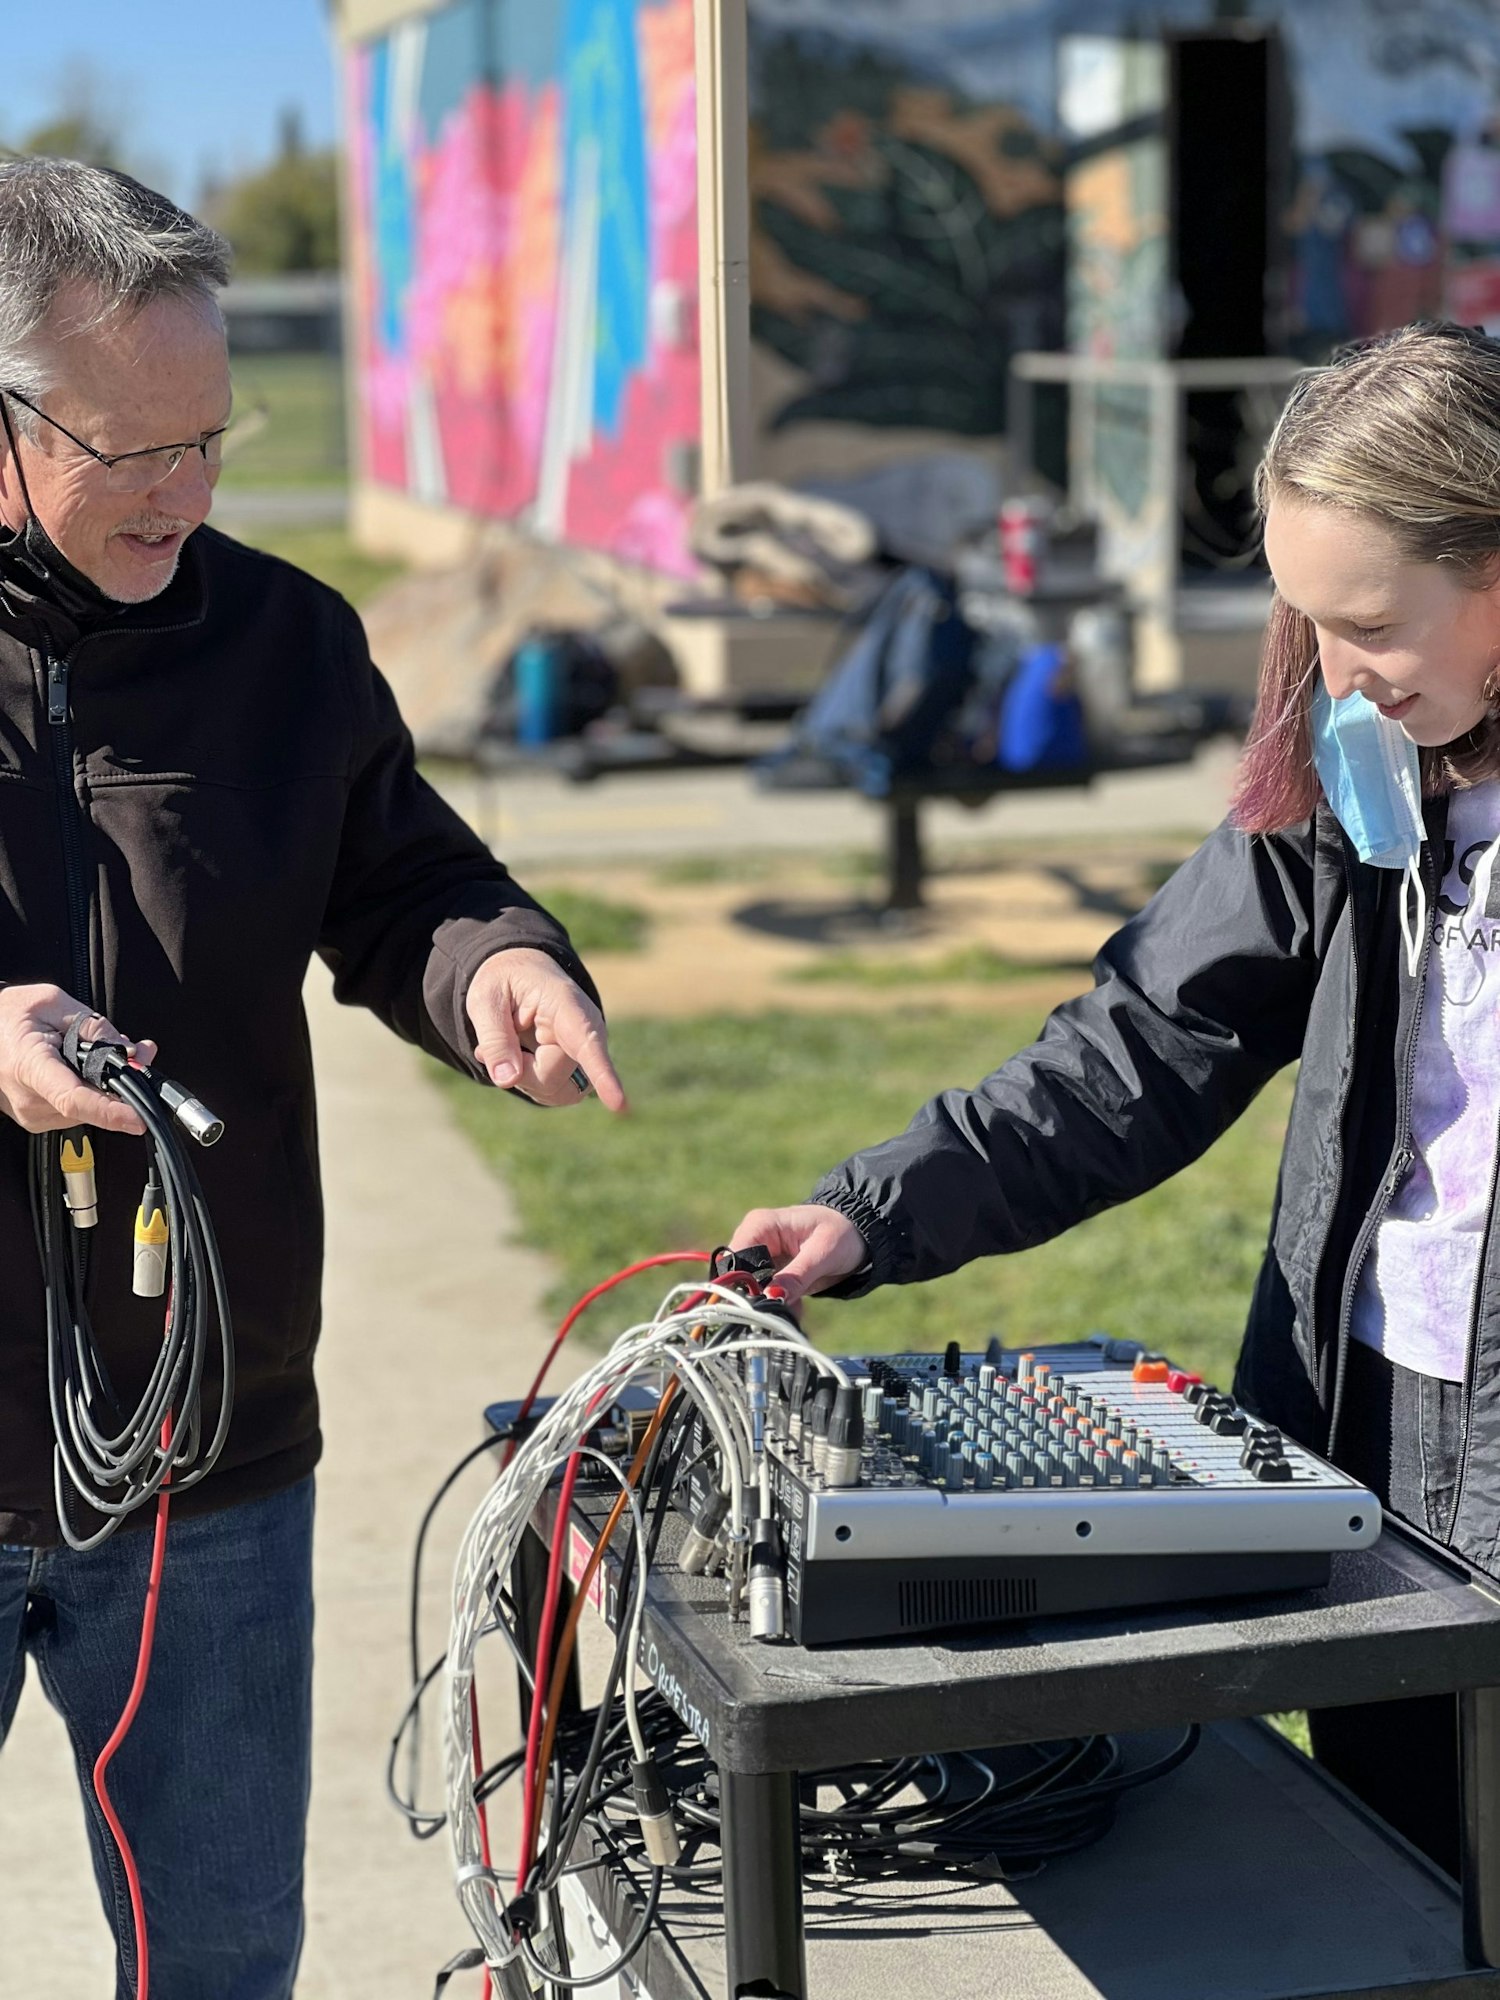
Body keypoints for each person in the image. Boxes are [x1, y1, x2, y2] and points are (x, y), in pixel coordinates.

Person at [732, 318, 1500, 1881]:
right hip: (1374, 1417)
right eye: (1309, 621)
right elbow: (1145, 1043)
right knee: (1407, 1890)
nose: (1336, 672)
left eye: (1367, 622)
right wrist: (872, 1214)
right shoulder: (1362, 762)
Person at [0, 158, 624, 1997]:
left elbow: (409, 881)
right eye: (135, 451)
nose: (188, 494)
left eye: (213, 437)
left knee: (220, 1964)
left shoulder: (285, 642)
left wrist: (495, 960)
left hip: (210, 1465)